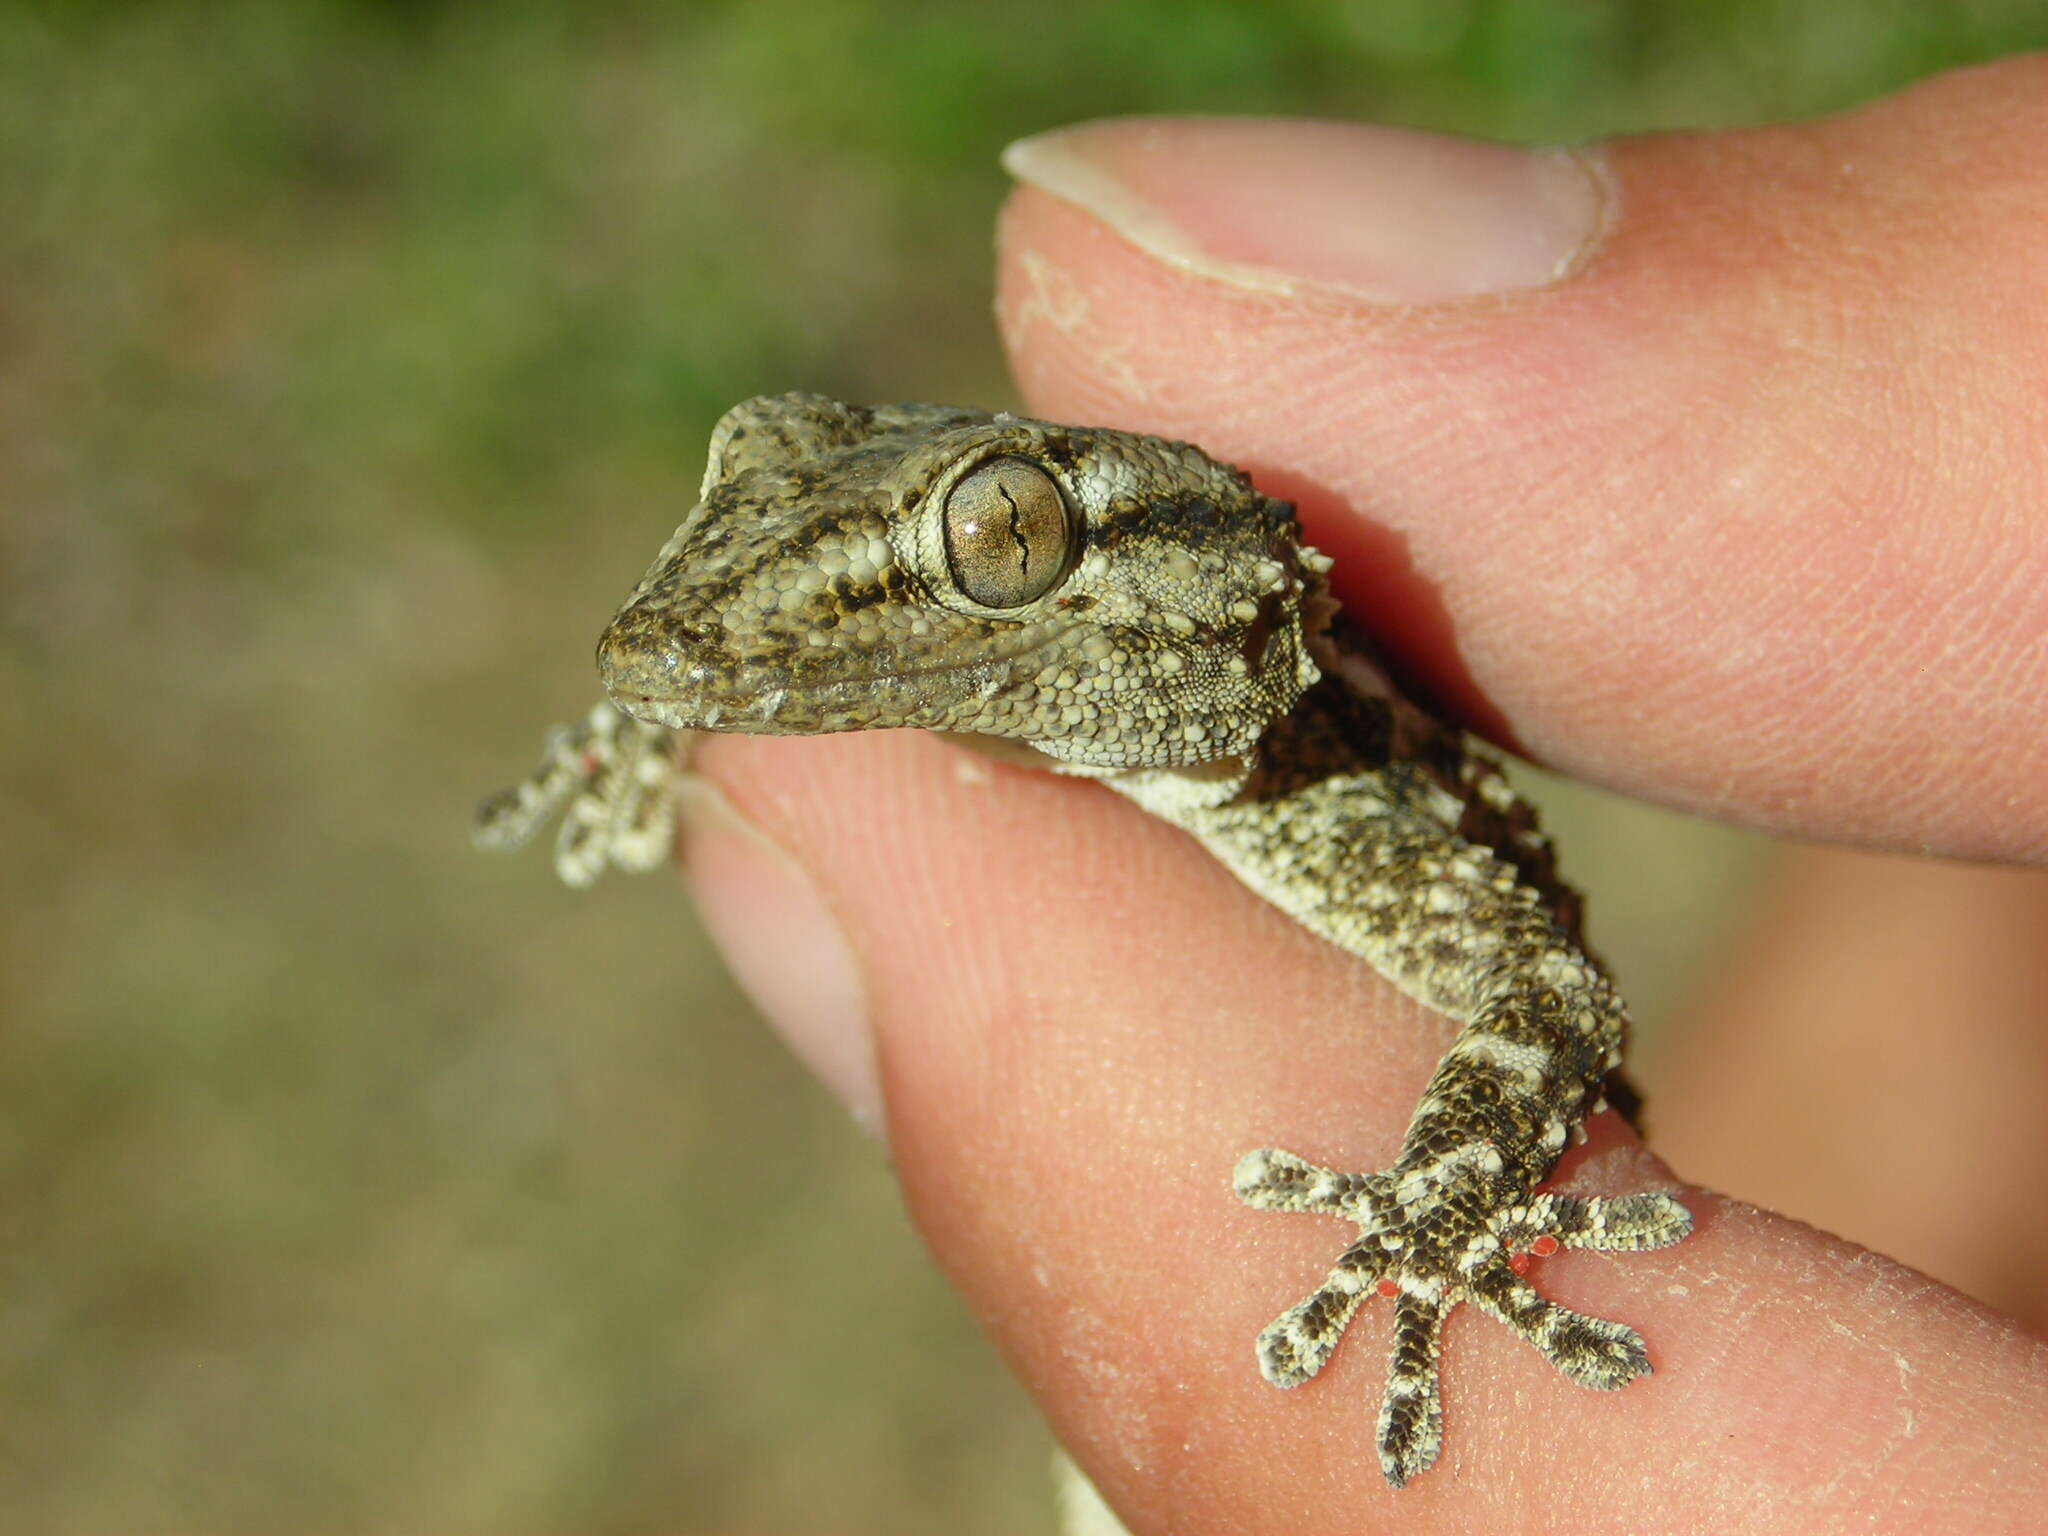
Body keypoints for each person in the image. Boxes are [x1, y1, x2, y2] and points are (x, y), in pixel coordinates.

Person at [677, 55, 2048, 1529]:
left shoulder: (1335, 794)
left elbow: (1551, 1007)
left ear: (1220, 589)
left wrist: (1439, 1212)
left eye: (1006, 539)